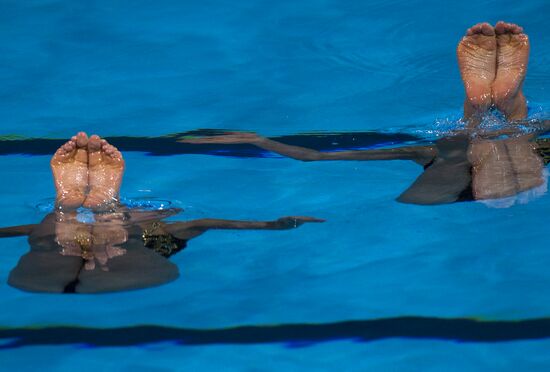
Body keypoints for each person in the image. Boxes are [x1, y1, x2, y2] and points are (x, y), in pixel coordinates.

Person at [180, 22, 550, 205]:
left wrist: (257, 140)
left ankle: (482, 106)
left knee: (484, 140)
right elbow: (315, 157)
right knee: (517, 145)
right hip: (501, 170)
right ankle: (509, 103)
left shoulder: (427, 149)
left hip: (456, 166)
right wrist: (256, 140)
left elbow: (316, 157)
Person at [0, 133, 323, 293]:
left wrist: (273, 226)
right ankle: (89, 208)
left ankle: (69, 206)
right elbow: (209, 222)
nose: (138, 211)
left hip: (51, 270)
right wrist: (274, 225)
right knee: (100, 237)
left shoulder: (160, 231)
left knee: (54, 236)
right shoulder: (160, 232)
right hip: (133, 267)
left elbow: (206, 222)